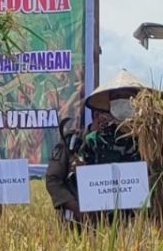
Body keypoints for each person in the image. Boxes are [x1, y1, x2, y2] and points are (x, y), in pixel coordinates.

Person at [56, 71, 147, 224]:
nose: (122, 101)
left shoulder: (148, 140)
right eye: (117, 97)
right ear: (110, 104)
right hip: (100, 215)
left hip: (135, 217)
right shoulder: (94, 140)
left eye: (127, 96)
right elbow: (81, 179)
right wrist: (79, 169)